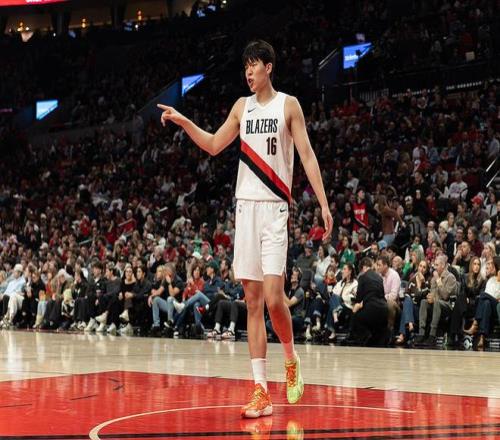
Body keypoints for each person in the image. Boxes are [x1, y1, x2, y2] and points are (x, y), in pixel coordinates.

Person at [158, 39, 333, 418]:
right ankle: (260, 391)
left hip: (275, 210)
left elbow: (306, 154)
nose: (248, 72)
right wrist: (184, 121)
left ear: (269, 67)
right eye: (245, 67)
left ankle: (290, 358)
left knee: (274, 298)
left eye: (254, 65)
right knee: (253, 302)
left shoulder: (288, 105)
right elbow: (213, 145)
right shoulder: (242, 107)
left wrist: (322, 202)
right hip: (246, 211)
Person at [415, 255, 457, 346]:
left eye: (437, 265)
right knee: (423, 302)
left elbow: (445, 296)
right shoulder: (433, 279)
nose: (434, 267)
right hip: (436, 303)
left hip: (447, 305)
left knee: (437, 302)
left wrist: (438, 280)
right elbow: (433, 294)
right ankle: (421, 333)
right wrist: (430, 297)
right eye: (434, 265)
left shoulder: (451, 277)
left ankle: (432, 335)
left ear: (443, 265)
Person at [346, 257, 388, 346]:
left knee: (355, 315)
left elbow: (359, 299)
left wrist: (357, 304)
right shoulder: (379, 278)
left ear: (364, 267)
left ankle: (359, 335)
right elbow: (381, 294)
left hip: (371, 309)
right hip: (384, 309)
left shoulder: (362, 277)